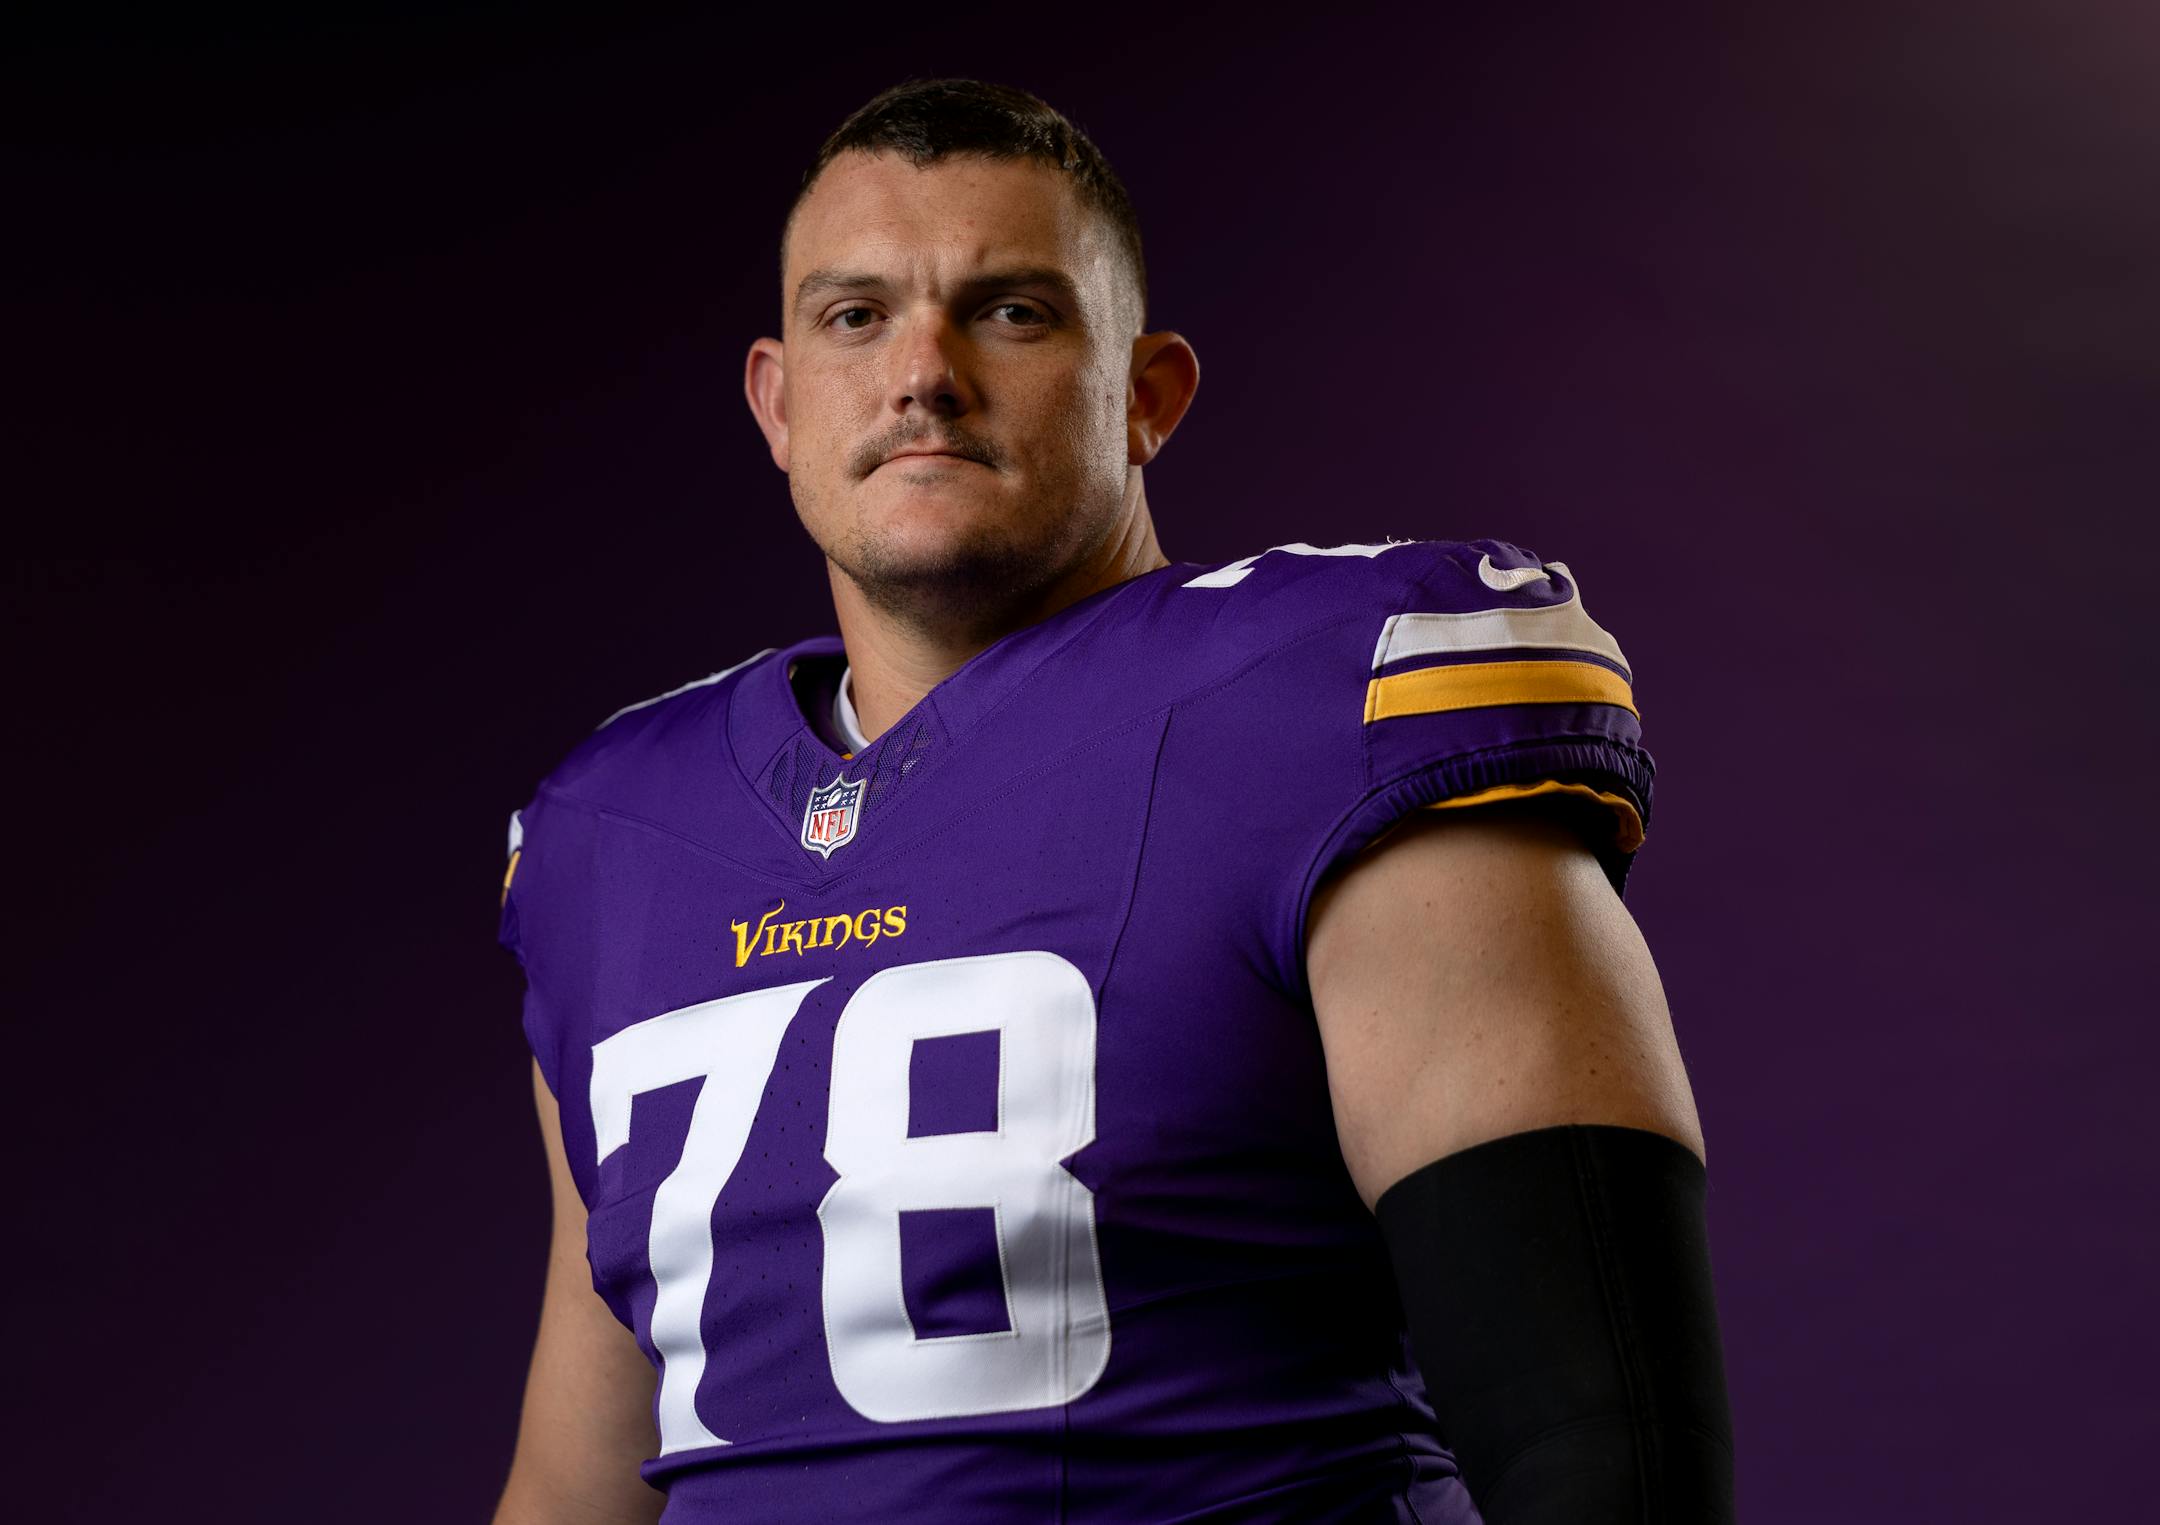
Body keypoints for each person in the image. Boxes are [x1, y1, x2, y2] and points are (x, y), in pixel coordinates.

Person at [491, 78, 1734, 1525]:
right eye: (857, 316)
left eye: (1011, 311)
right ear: (777, 399)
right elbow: (577, 1491)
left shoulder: (1324, 707)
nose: (923, 374)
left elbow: (1602, 1448)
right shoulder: (614, 838)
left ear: (1147, 395)